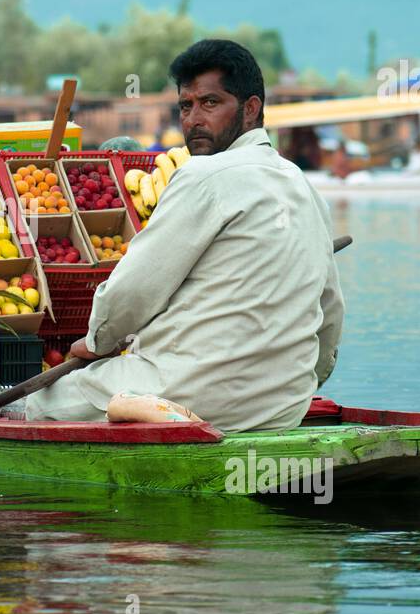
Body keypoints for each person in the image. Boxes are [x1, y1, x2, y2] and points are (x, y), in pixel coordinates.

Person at [25, 39, 345, 433]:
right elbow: (330, 314)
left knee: (36, 403)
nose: (193, 118)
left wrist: (97, 341)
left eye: (210, 103)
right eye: (185, 106)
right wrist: (303, 382)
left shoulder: (202, 176)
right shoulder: (304, 186)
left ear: (250, 109)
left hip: (188, 396)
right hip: (282, 408)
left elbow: (135, 288)